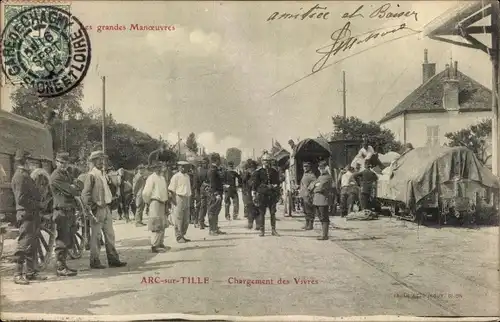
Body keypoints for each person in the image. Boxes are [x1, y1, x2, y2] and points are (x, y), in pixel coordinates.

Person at [81, 151, 127, 269]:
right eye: (99, 160)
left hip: (106, 208)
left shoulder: (103, 175)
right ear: (94, 161)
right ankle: (94, 261)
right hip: (98, 209)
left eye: (103, 160)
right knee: (96, 237)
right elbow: (85, 195)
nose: (102, 162)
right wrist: (92, 208)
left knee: (110, 235)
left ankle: (113, 259)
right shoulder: (91, 175)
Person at [11, 150, 46, 285]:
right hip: (26, 214)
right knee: (24, 244)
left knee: (32, 244)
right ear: (25, 161)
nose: (32, 163)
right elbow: (21, 199)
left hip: (31, 214)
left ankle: (31, 272)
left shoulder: (25, 175)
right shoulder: (20, 176)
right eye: (30, 161)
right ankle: (18, 274)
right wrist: (38, 204)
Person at [50, 152, 80, 277]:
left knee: (68, 238)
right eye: (61, 163)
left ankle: (64, 265)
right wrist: (73, 187)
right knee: (62, 240)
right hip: (61, 211)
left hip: (69, 210)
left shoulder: (66, 173)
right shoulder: (56, 176)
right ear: (56, 162)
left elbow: (78, 186)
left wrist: (74, 187)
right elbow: (71, 190)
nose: (63, 165)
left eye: (65, 163)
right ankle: (60, 267)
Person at [142, 161, 170, 253]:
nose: (160, 168)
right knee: (156, 224)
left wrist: (166, 202)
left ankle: (160, 243)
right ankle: (154, 245)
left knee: (162, 224)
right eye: (157, 167)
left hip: (163, 202)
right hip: (155, 202)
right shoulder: (151, 178)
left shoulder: (162, 178)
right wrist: (148, 202)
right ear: (154, 168)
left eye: (160, 167)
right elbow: (146, 192)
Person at [251, 152, 281, 237]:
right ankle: (262, 230)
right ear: (262, 161)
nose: (266, 162)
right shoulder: (258, 172)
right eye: (265, 160)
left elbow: (277, 183)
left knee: (272, 213)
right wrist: (254, 195)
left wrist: (277, 191)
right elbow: (255, 185)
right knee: (262, 213)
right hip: (262, 196)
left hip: (272, 195)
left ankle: (273, 230)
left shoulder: (274, 171)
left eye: (268, 160)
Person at [169, 161, 192, 243]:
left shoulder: (187, 176)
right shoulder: (176, 177)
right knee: (178, 218)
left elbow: (188, 189)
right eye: (181, 166)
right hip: (179, 197)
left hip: (186, 198)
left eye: (185, 167)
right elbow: (171, 190)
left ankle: (182, 234)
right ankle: (178, 236)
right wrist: (173, 200)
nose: (183, 168)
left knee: (186, 219)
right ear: (179, 167)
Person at [309, 160, 333, 240]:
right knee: (320, 217)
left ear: (326, 168)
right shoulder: (320, 177)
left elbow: (320, 187)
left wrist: (315, 186)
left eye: (322, 168)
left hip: (323, 200)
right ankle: (323, 234)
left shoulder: (328, 177)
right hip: (317, 200)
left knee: (324, 217)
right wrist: (315, 185)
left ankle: (325, 235)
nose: (320, 169)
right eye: (320, 168)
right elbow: (310, 186)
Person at [207, 153, 226, 235]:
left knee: (216, 211)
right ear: (216, 160)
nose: (220, 161)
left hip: (218, 192)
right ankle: (212, 230)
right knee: (212, 211)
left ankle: (215, 228)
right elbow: (212, 183)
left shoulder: (215, 169)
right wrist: (216, 193)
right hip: (215, 194)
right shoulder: (212, 170)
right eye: (219, 159)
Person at [299, 162, 317, 230]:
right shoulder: (305, 174)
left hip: (308, 195)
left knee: (309, 210)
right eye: (304, 166)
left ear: (309, 167)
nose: (305, 168)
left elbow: (315, 182)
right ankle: (307, 224)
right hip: (304, 195)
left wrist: (309, 188)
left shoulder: (311, 175)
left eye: (307, 166)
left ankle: (311, 225)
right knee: (305, 210)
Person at [242, 159, 259, 229]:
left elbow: (243, 181)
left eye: (252, 167)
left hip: (253, 192)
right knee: (252, 208)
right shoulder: (248, 174)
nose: (251, 169)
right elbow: (243, 180)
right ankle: (253, 224)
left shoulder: (256, 174)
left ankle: (254, 224)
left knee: (254, 208)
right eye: (250, 167)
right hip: (250, 192)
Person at [194, 157, 210, 229]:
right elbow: (195, 181)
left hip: (204, 190)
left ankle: (201, 221)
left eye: (205, 163)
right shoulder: (198, 170)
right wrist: (196, 191)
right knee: (199, 206)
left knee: (204, 207)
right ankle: (196, 221)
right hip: (198, 190)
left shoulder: (208, 170)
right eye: (203, 163)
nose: (204, 164)